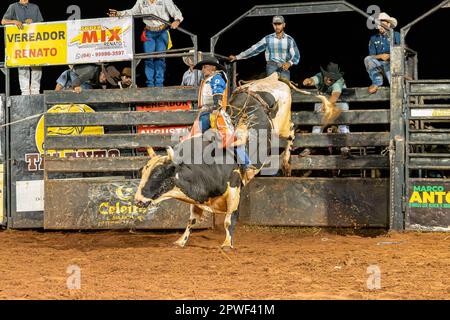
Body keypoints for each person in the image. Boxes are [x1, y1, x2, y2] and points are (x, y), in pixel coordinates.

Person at [108, 0, 183, 87]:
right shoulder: (141, 1)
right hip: (149, 32)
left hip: (162, 31)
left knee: (160, 58)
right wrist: (119, 13)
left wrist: (177, 20)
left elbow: (175, 11)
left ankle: (159, 84)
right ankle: (150, 84)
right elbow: (133, 11)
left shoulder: (165, 0)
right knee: (148, 58)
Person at [301, 62, 352, 159]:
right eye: (328, 77)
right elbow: (313, 80)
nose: (329, 80)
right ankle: (312, 146)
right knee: (317, 121)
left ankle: (344, 148)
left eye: (332, 78)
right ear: (324, 75)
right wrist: (308, 81)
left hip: (340, 102)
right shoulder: (320, 76)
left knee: (342, 123)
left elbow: (335, 95)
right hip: (325, 100)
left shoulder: (338, 82)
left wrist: (328, 105)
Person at [229, 15, 300, 80]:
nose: (277, 26)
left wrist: (289, 63)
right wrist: (237, 57)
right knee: (271, 88)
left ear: (284, 25)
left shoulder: (289, 40)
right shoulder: (268, 39)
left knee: (285, 88)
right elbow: (254, 49)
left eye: (279, 24)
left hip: (284, 67)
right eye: (275, 24)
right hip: (272, 67)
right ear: (272, 25)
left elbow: (296, 55)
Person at [2, 0, 43, 95]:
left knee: (37, 67)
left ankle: (35, 91)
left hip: (34, 42)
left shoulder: (35, 7)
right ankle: (25, 92)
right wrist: (14, 21)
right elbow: (3, 21)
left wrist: (33, 22)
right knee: (23, 68)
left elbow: (41, 24)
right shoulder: (13, 6)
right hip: (20, 44)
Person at [364, 12, 401, 94]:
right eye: (378, 24)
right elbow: (372, 55)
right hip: (380, 65)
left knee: (395, 86)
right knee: (367, 59)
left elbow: (402, 50)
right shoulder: (373, 38)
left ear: (388, 24)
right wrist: (381, 56)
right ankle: (377, 81)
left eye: (382, 24)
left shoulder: (396, 35)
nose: (380, 26)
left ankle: (399, 89)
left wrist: (390, 56)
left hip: (392, 64)